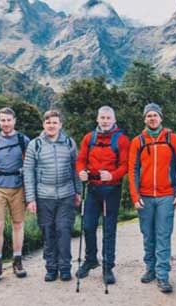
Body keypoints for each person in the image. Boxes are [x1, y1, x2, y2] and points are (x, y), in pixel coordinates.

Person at [128, 102, 176, 293]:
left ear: (161, 118)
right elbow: (133, 170)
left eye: (155, 115)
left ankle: (163, 276)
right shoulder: (138, 141)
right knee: (148, 235)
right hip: (144, 196)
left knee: (163, 235)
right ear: (144, 119)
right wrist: (135, 195)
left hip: (166, 196)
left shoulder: (172, 139)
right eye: (148, 116)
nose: (152, 118)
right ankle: (150, 269)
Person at [23, 109, 82, 281]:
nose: (51, 125)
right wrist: (31, 198)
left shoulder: (69, 143)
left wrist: (78, 192)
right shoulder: (35, 144)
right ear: (44, 124)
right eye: (48, 122)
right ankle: (51, 268)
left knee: (63, 230)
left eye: (55, 122)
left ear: (60, 125)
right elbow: (28, 171)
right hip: (43, 196)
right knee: (48, 232)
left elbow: (75, 169)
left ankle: (65, 268)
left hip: (66, 195)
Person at [75, 106, 130, 284]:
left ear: (114, 120)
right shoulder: (89, 138)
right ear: (97, 119)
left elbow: (125, 165)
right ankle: (91, 260)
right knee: (88, 226)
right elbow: (81, 160)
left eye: (108, 118)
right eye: (102, 118)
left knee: (108, 228)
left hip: (111, 190)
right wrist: (81, 171)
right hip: (92, 188)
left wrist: (113, 175)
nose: (105, 121)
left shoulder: (121, 139)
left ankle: (108, 266)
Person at [0, 107, 30, 283]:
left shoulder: (23, 140)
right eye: (3, 120)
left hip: (18, 187)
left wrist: (30, 192)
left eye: (9, 120)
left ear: (14, 121)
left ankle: (17, 261)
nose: (6, 123)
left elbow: (30, 166)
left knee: (18, 225)